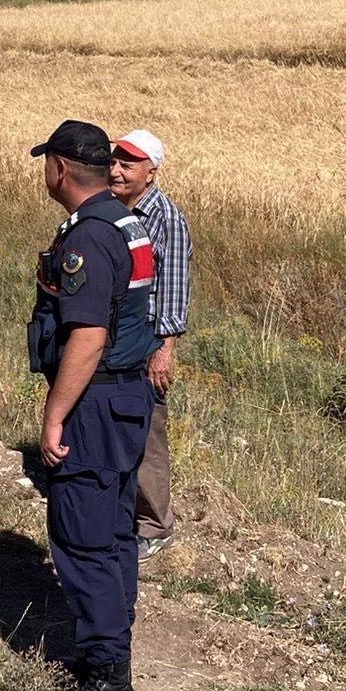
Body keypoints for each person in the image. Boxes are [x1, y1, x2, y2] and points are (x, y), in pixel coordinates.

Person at [27, 120, 160, 691]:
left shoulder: (89, 237)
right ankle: (112, 663)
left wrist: (54, 416)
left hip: (96, 404)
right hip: (125, 400)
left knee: (84, 539)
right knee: (113, 536)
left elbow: (87, 337)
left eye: (46, 163)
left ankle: (107, 682)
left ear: (60, 168)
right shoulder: (125, 222)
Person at [110, 130, 193, 563]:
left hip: (147, 341)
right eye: (114, 161)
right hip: (119, 337)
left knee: (147, 432)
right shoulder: (118, 209)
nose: (116, 170)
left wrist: (164, 350)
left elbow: (173, 290)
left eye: (128, 164)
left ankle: (156, 525)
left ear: (151, 173)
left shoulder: (165, 219)